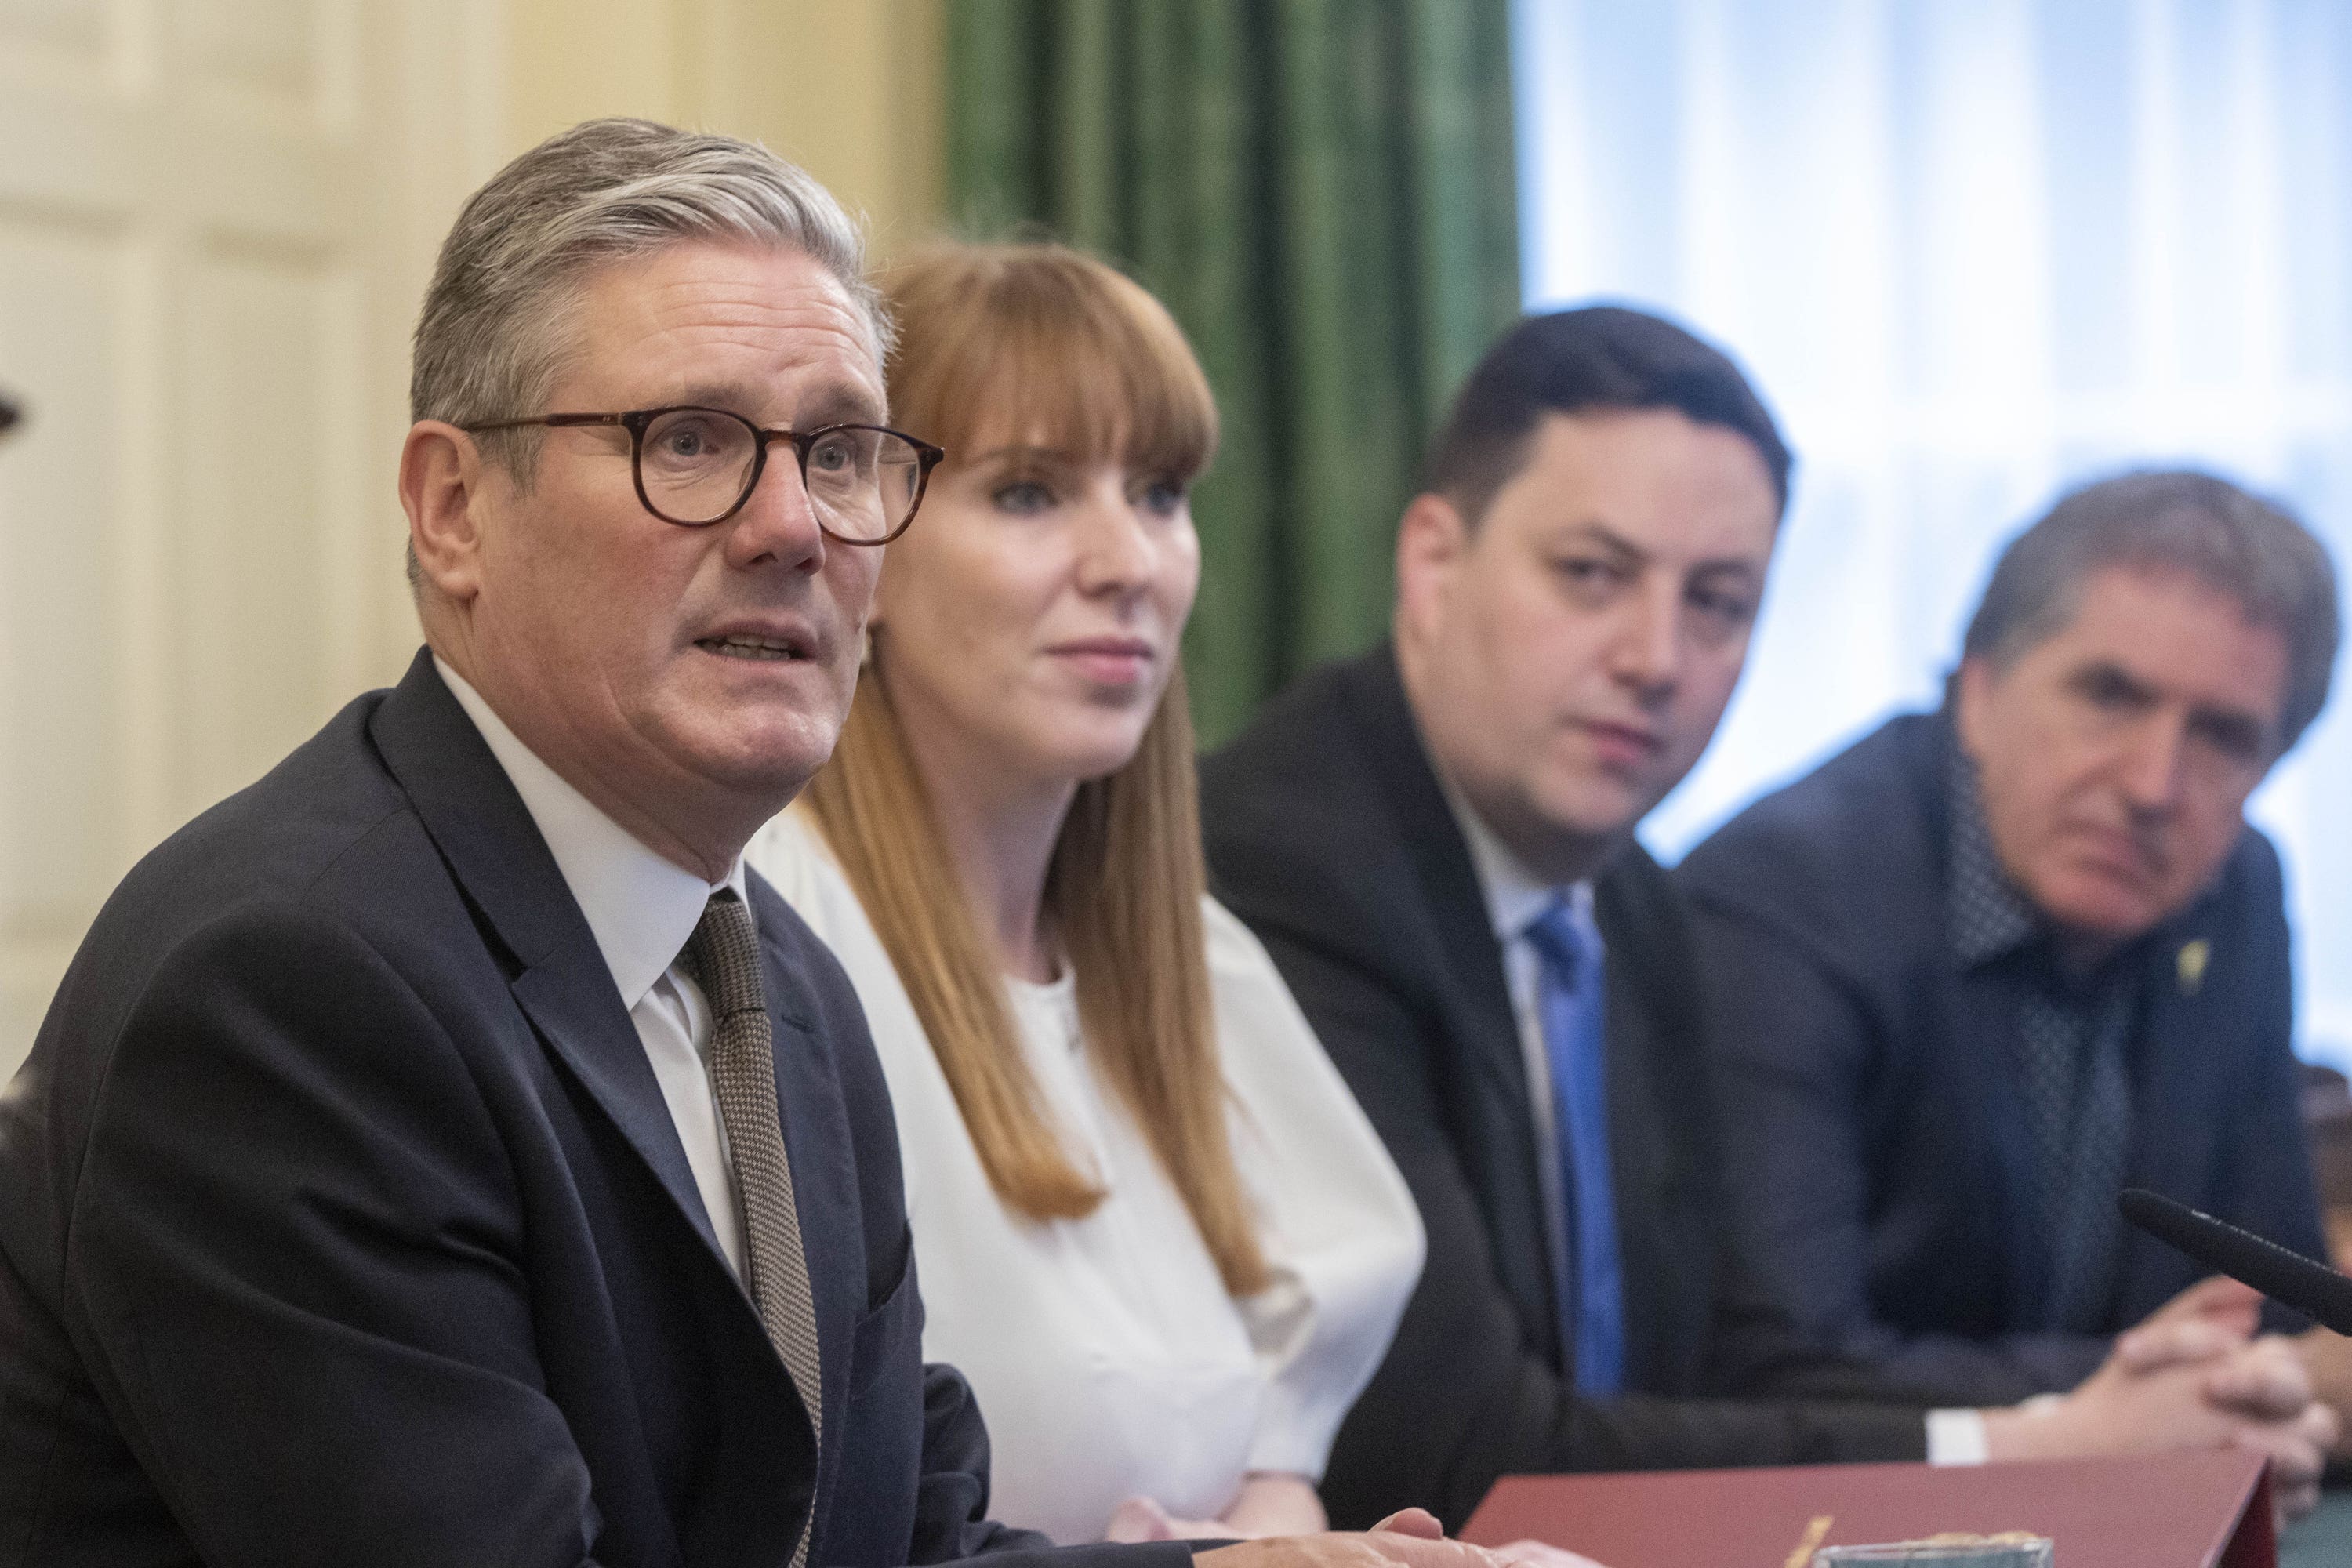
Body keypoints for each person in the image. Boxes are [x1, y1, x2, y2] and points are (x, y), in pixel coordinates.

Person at [0, 119, 1504, 1568]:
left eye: (845, 453)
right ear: (453, 509)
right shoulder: (293, 989)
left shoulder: (775, 980)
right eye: (692, 441)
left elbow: (906, 1544)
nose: (794, 527)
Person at [1199, 307, 2337, 1530]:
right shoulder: (1295, 865)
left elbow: (1684, 1363)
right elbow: (1469, 1449)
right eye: (1591, 575)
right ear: (1432, 564)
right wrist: (2054, 1435)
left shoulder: (1619, 898)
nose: (1655, 656)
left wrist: (2231, 1391)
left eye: (1720, 603)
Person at [744, 243, 1426, 1548]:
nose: (1130, 562)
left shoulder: (1198, 969)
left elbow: (1283, 1414)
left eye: (1161, 493)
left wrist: (1275, 1512)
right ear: (864, 542)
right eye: (1029, 493)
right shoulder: (776, 950)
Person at [1678, 470, 2352, 1422]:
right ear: (1978, 689)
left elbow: (2275, 1303)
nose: (2154, 783)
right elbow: (1781, 1365)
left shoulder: (2234, 888)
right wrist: (2150, 1405)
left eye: (2223, 736)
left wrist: (2272, 1375)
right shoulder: (1782, 899)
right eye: (2110, 695)